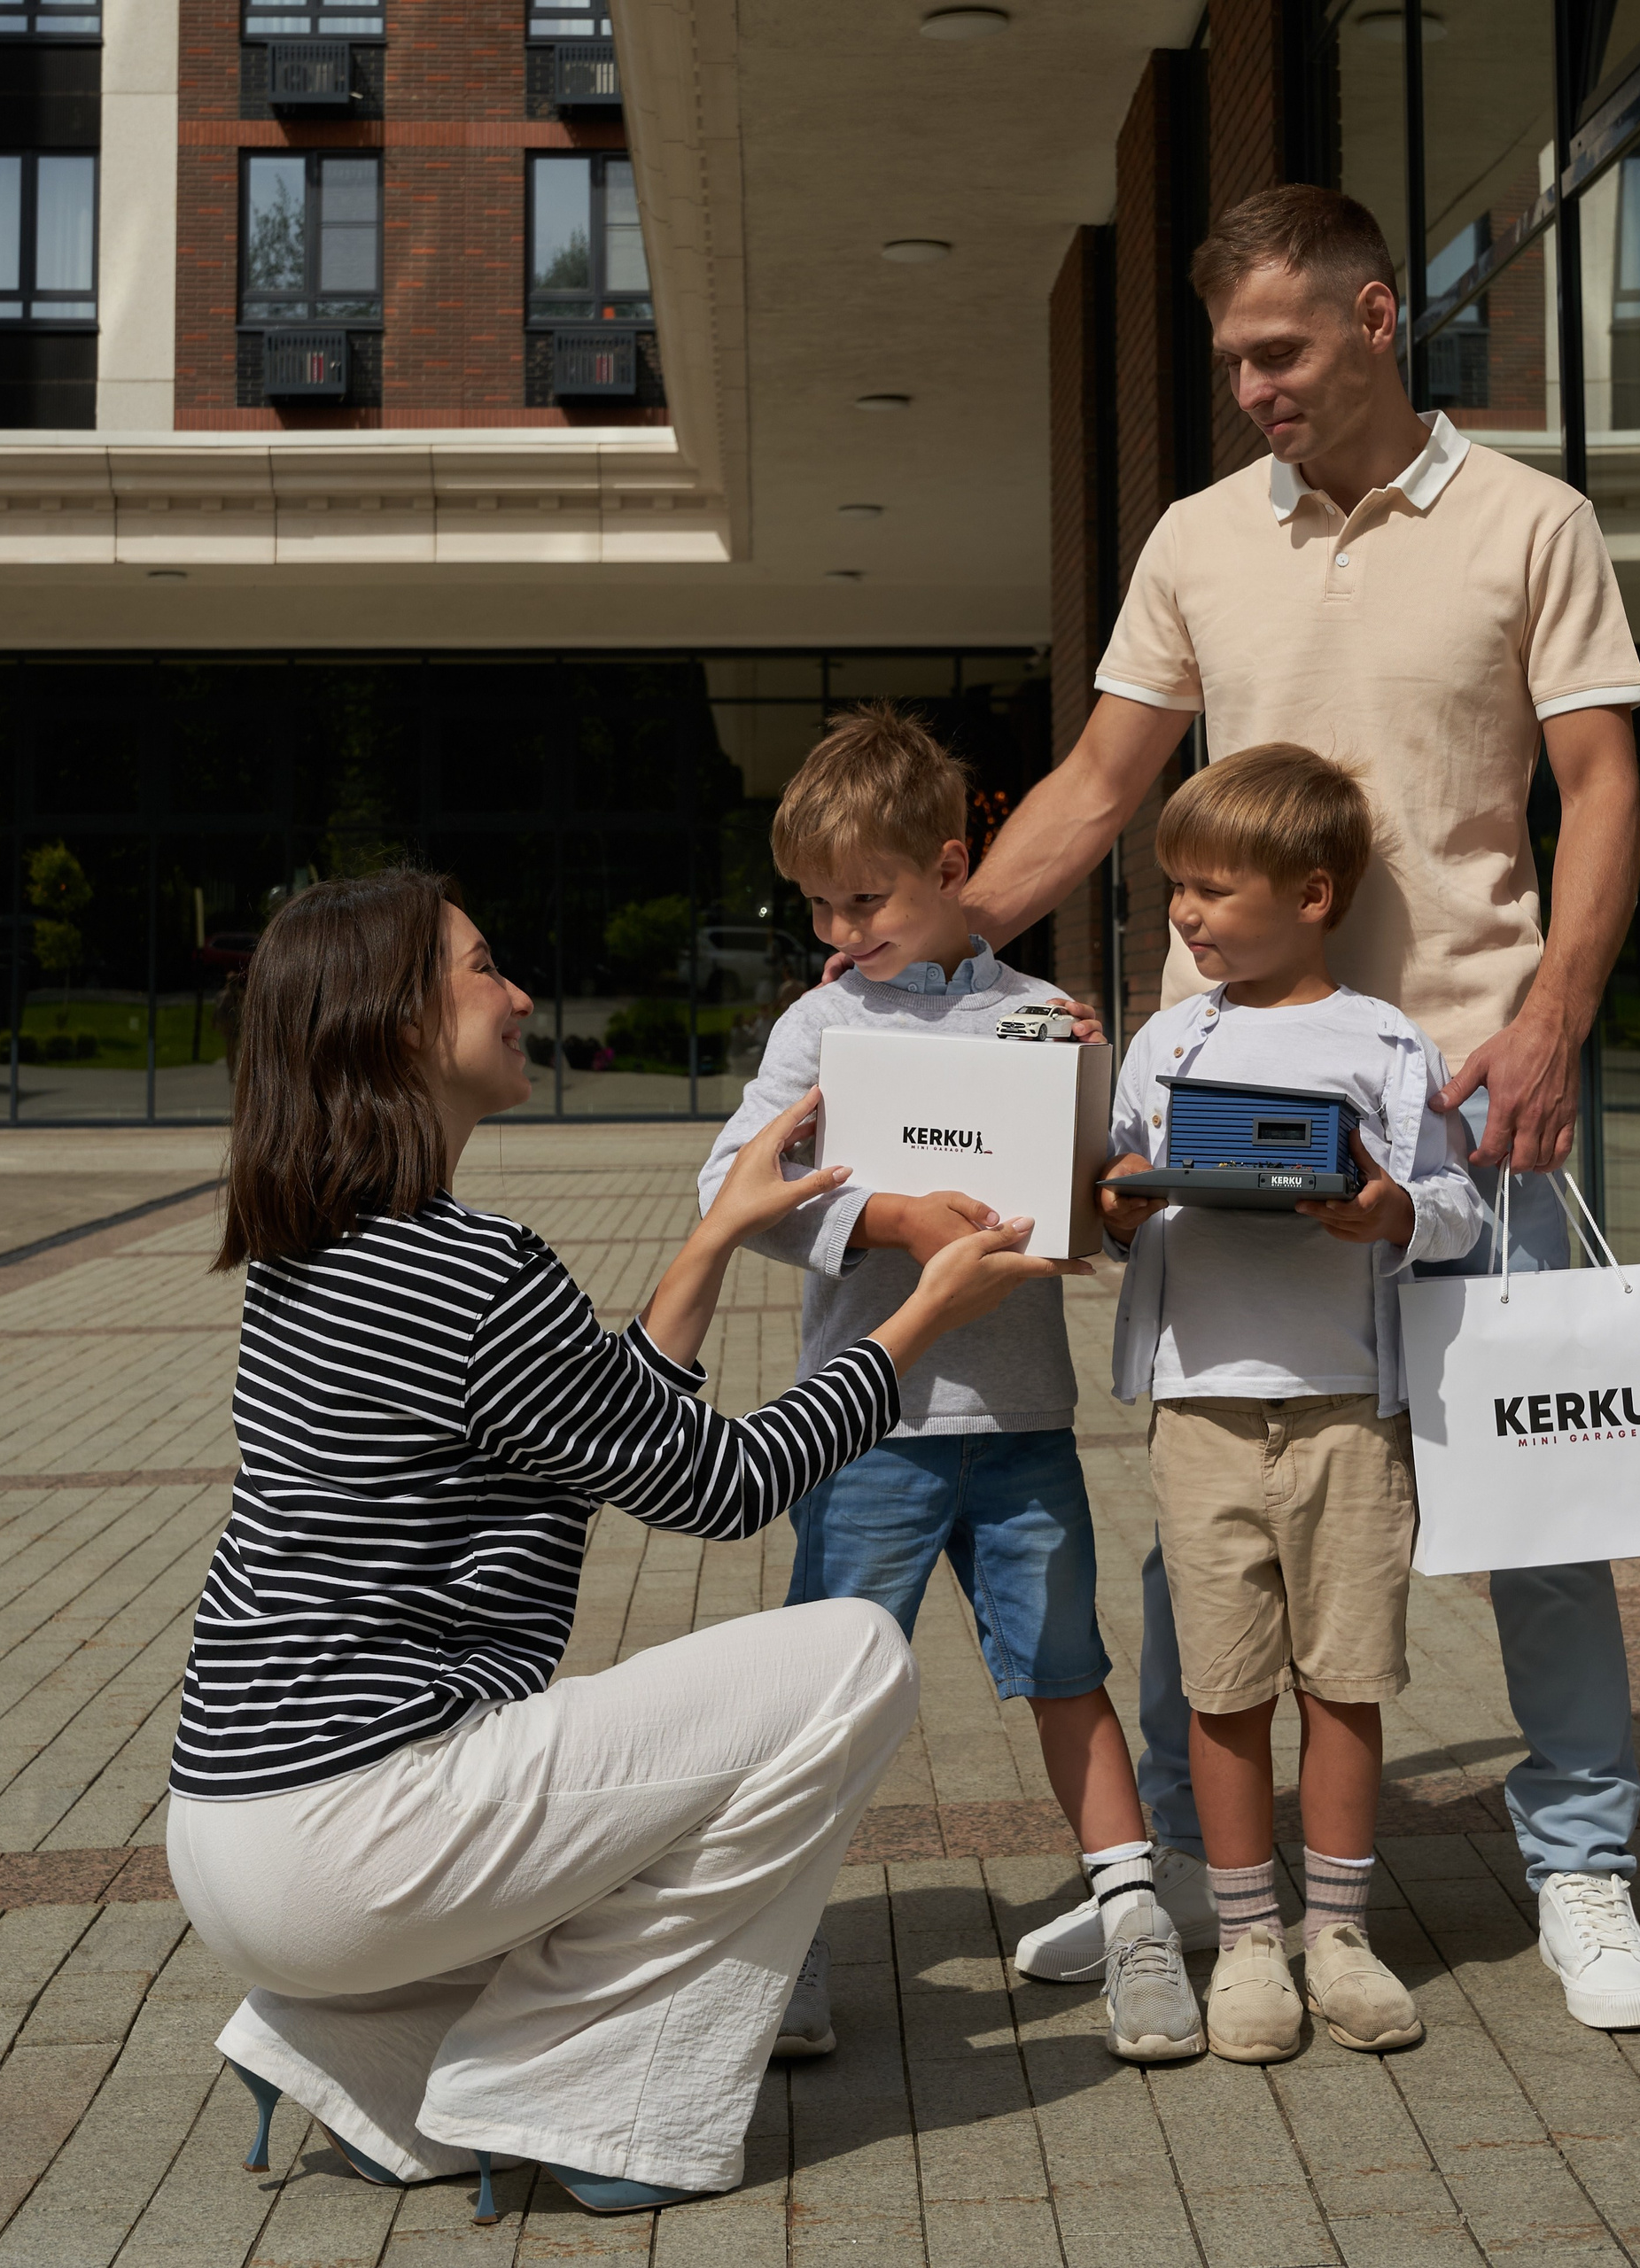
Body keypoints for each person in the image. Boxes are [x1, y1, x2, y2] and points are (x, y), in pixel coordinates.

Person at [962, 183, 1640, 2030]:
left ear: (1376, 317)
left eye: (1278, 351)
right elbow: (1099, 780)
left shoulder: (1534, 519)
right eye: (1227, 362)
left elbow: (1598, 789)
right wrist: (929, 945)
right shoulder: (1199, 538)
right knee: (1201, 1511)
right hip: (1233, 1129)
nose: (1252, 389)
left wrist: (1551, 1021)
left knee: (1529, 1507)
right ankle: (1172, 1885)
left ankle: (1582, 1863)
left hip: (1465, 1094)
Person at [167, 866, 1066, 2226]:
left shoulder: (317, 1251)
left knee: (667, 1758)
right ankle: (595, 2102)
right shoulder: (468, 1269)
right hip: (358, 1834)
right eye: (482, 969)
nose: (521, 995)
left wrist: (710, 1240)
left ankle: (362, 2054)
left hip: (232, 1840)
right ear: (396, 1021)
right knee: (852, 1659)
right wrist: (920, 1319)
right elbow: (725, 1485)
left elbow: (592, 1423)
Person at [698, 703, 1207, 2064]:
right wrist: (886, 1223)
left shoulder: (1045, 1020)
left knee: (1063, 1671)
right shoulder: (817, 1027)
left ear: (948, 858)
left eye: (863, 898)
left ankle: (1136, 1916)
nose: (838, 931)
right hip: (869, 1426)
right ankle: (782, 1943)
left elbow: (1097, 1200)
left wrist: (1111, 1188)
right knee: (826, 1693)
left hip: (1024, 1420)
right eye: (815, 905)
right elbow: (727, 1189)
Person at [1098, 745, 1487, 2062]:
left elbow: (1454, 1202)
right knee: (1222, 1689)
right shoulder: (1166, 1040)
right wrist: (1117, 1199)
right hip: (1202, 1410)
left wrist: (1384, 1209)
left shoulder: (1382, 1039)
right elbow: (1121, 1187)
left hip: (1350, 1414)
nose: (1188, 917)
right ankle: (1247, 1942)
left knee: (1348, 1682)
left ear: (1313, 894)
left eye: (1211, 890)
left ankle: (1340, 1934)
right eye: (1175, 893)